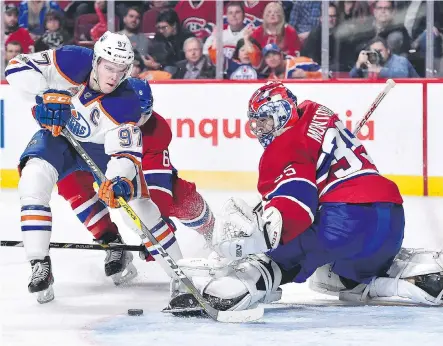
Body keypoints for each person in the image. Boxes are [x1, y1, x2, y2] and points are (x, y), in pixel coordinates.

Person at [167, 81, 443, 313]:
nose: (260, 129)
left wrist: (260, 240)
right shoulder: (316, 111)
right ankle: (413, 277)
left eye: (265, 121)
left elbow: (296, 209)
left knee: (275, 259)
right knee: (338, 278)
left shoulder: (281, 149)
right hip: (391, 218)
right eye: (256, 123)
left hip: (346, 221)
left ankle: (230, 291)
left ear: (282, 114)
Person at [5, 31, 183, 304]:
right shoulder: (70, 59)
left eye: (121, 70)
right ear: (96, 60)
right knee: (32, 180)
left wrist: (120, 180)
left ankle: (182, 276)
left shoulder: (126, 103)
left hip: (101, 150)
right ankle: (39, 264)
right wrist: (46, 95)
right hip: (59, 137)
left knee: (138, 207)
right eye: (109, 67)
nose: (114, 76)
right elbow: (15, 67)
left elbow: (125, 154)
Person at [56, 78, 215, 283]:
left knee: (181, 196)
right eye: (133, 112)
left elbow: (156, 182)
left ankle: (211, 230)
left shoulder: (156, 130)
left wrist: (157, 224)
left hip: (133, 179)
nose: (138, 120)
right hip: (99, 165)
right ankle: (111, 241)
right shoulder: (99, 113)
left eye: (144, 114)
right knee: (70, 182)